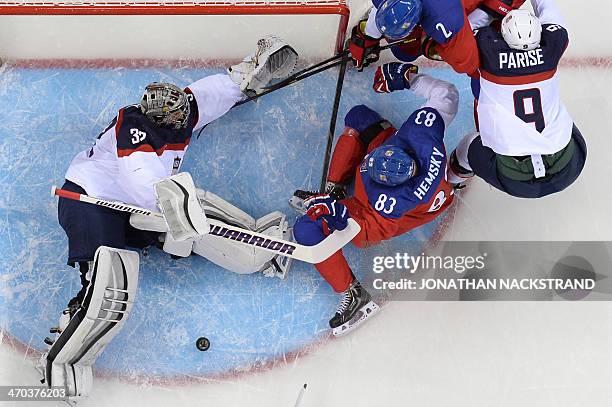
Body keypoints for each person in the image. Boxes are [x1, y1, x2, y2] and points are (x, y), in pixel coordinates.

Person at [39, 36, 298, 401]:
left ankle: (259, 246)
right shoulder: (136, 129)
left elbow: (209, 96)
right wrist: (177, 207)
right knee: (112, 284)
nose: (183, 121)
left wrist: (250, 74)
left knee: (191, 214)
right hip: (91, 202)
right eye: (175, 118)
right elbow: (140, 179)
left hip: (135, 209)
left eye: (183, 113)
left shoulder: (181, 111)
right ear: (157, 118)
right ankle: (62, 365)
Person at [290, 64, 459, 335]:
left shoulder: (388, 202)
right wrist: (410, 77)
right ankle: (335, 190)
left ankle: (354, 294)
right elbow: (447, 96)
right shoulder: (422, 136)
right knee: (359, 117)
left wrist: (332, 210)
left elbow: (353, 222)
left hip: (370, 221)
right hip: (414, 171)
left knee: (306, 229)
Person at [447, 0, 587, 198]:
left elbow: (465, 30)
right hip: (569, 166)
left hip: (514, 177)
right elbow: (548, 9)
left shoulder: (490, 53)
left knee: (468, 145)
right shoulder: (553, 46)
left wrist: (492, 8)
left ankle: (450, 180)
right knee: (558, 120)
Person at [348, 0, 525, 77]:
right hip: (440, 10)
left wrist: (433, 45)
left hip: (485, 4)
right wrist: (367, 36)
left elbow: (469, 64)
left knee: (488, 21)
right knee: (405, 50)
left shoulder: (447, 22)